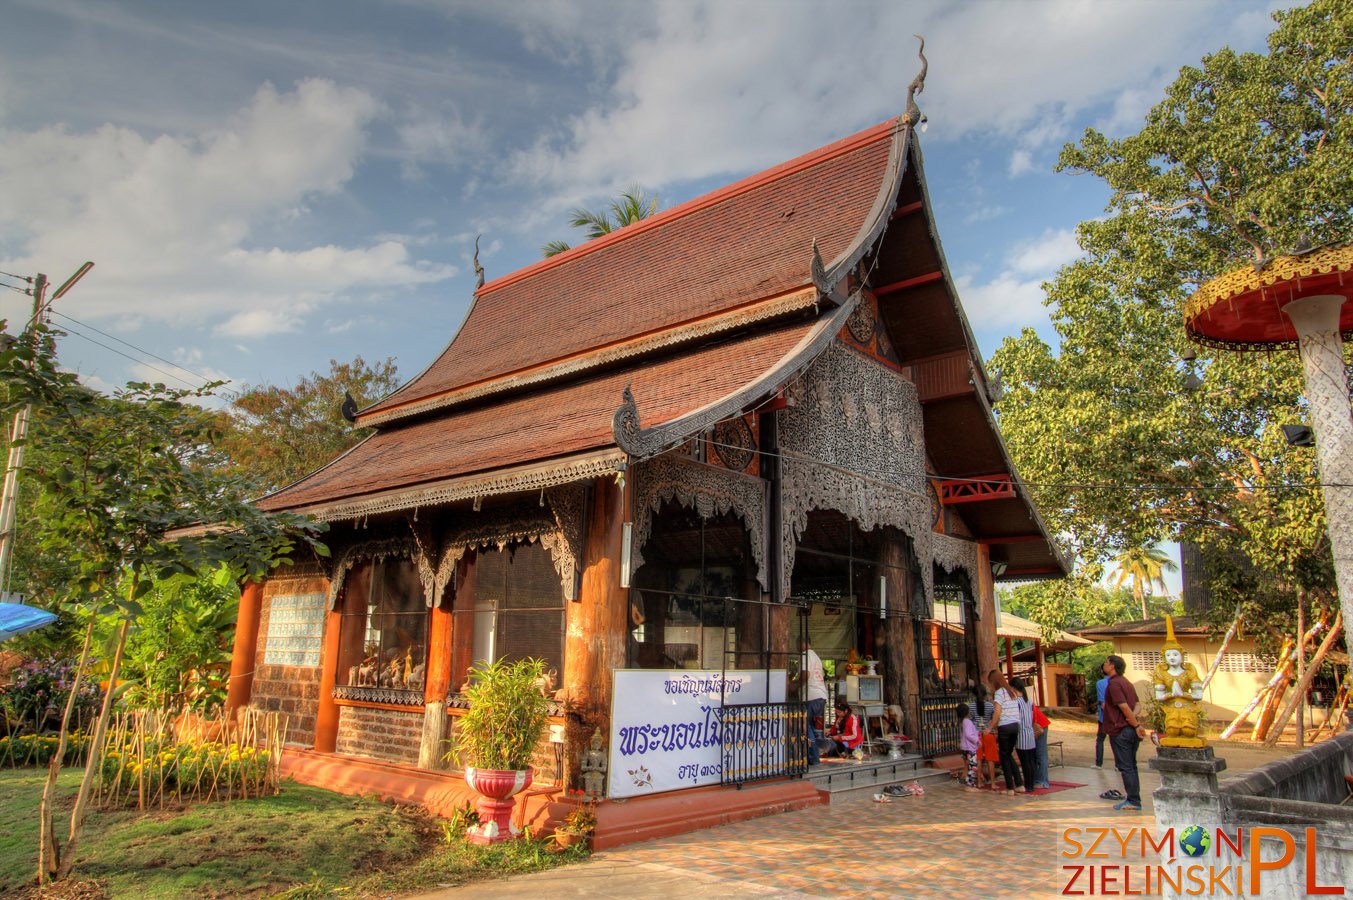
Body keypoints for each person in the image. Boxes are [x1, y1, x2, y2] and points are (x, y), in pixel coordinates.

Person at [1103, 654, 1147, 811]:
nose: (1104, 665)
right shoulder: (1127, 682)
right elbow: (1137, 705)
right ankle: (1134, 799)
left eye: (1106, 663)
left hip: (1121, 730)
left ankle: (1133, 800)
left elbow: (1123, 706)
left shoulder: (1114, 684)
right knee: (1131, 766)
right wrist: (1132, 719)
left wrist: (1133, 723)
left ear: (1112, 666)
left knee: (1126, 767)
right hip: (1129, 728)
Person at [984, 669, 1024, 796]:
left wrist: (990, 727)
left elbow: (997, 713)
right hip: (1015, 725)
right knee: (1008, 754)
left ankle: (1010, 787)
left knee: (1004, 757)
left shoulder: (999, 693)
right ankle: (1019, 784)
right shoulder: (1012, 691)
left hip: (1005, 727)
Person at [801, 638, 829, 766]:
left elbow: (806, 675)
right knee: (812, 726)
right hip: (821, 695)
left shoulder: (805, 655)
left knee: (806, 726)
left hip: (812, 696)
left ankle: (813, 756)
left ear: (802, 643)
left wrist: (794, 685)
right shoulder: (816, 656)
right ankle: (814, 754)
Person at [1009, 676, 1039, 795]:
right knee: (1030, 760)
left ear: (1013, 688)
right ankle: (1031, 783)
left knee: (1025, 761)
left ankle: (1028, 784)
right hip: (1030, 732)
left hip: (1022, 734)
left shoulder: (1017, 702)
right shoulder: (1029, 700)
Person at [970, 684, 998, 789]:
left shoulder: (971, 706)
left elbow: (971, 720)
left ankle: (979, 782)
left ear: (973, 694)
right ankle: (993, 783)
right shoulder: (990, 706)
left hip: (977, 735)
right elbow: (993, 719)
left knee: (979, 759)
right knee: (991, 759)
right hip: (988, 733)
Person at [957, 702, 981, 790]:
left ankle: (967, 782)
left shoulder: (962, 722)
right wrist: (977, 740)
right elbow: (968, 734)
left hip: (965, 747)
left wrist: (977, 733)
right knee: (973, 766)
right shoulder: (967, 721)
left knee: (968, 765)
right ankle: (970, 784)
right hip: (970, 748)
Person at [1031, 700, 1052, 790]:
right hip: (1036, 726)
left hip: (1040, 726)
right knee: (1035, 754)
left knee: (1041, 754)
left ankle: (1043, 781)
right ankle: (1036, 779)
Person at [1094, 672, 1110, 768]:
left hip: (1104, 717)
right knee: (1115, 741)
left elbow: (1102, 702)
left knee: (1100, 740)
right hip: (1116, 718)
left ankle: (1099, 763)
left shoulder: (1100, 683)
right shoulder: (1122, 681)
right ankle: (1118, 764)